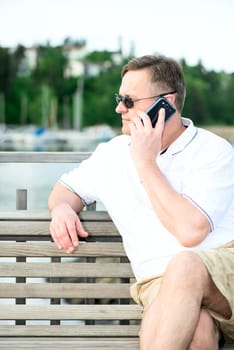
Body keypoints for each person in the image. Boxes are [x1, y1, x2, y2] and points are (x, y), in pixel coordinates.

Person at [48, 55, 234, 350]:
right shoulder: (112, 154)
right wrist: (61, 209)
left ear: (167, 103)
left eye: (129, 100)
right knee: (197, 334)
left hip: (224, 272)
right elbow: (63, 190)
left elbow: (190, 233)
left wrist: (146, 163)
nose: (119, 108)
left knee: (185, 264)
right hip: (159, 285)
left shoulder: (213, 151)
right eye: (119, 98)